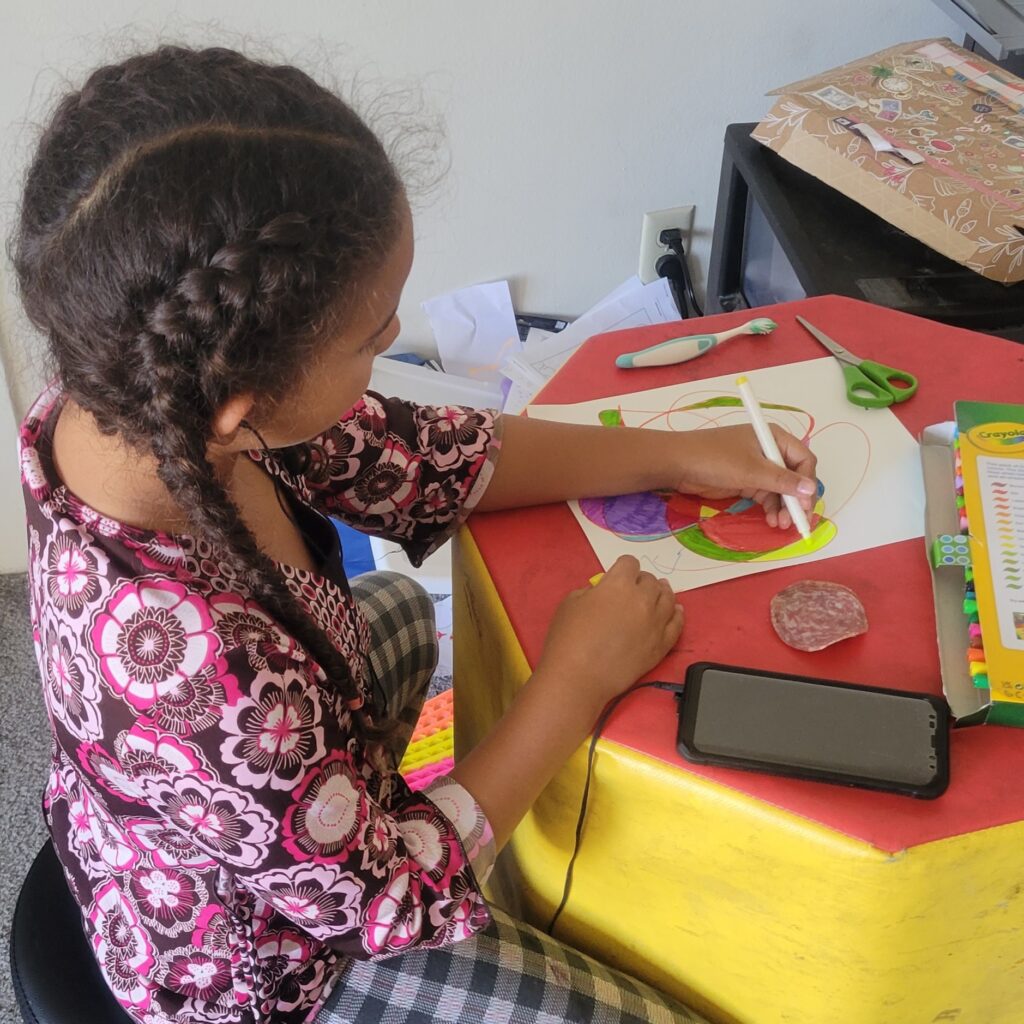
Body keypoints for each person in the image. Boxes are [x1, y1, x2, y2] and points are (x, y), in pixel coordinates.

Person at [13, 45, 817, 1024]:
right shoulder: (195, 667)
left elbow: (420, 455)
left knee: (392, 606)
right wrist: (573, 679)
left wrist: (675, 452)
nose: (389, 352)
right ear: (239, 403)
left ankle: (342, 808)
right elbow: (388, 896)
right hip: (269, 971)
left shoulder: (129, 387)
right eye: (372, 340)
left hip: (238, 792)